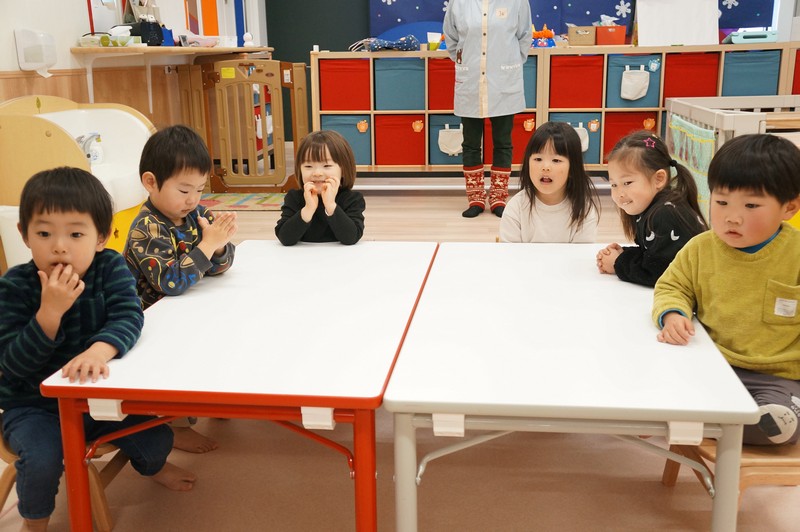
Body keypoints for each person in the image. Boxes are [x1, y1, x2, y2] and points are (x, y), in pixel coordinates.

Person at [0, 168, 196, 531]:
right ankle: (35, 521)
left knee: (157, 436)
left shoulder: (109, 267)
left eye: (76, 234)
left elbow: (129, 315)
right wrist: (48, 315)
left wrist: (99, 351)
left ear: (101, 237)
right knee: (41, 461)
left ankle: (154, 469)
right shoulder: (15, 286)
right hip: (35, 407)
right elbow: (12, 365)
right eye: (44, 233)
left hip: (100, 397)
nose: (59, 246)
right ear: (24, 234)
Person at [653, 134, 800, 446]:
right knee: (655, 384)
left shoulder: (795, 253)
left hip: (777, 376)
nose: (732, 217)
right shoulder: (701, 248)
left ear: (789, 207)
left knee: (781, 423)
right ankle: (706, 417)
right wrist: (673, 314)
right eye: (721, 202)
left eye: (751, 205)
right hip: (711, 363)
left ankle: (707, 421)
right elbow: (672, 285)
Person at [125, 124, 236, 453]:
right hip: (150, 320)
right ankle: (176, 426)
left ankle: (210, 397)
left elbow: (220, 267)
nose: (193, 199)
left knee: (218, 333)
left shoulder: (195, 215)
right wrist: (207, 247)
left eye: (199, 189)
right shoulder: (146, 228)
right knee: (176, 363)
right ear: (150, 182)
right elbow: (170, 282)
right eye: (184, 190)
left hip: (184, 308)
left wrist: (218, 246)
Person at [443, 0, 532, 218]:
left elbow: (524, 37)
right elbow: (451, 39)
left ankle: (498, 198)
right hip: (471, 80)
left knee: (503, 141)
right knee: (470, 143)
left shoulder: (517, 2)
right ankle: (475, 199)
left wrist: (509, 64)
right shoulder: (458, 3)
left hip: (503, 81)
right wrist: (465, 62)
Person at [596, 130, 707, 287]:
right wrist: (624, 253)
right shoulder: (649, 206)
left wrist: (618, 262)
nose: (619, 193)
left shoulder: (666, 214)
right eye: (614, 185)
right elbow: (654, 253)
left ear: (659, 179)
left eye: (627, 183)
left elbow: (658, 272)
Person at [499, 121, 599, 243]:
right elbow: (509, 252)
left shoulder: (584, 209)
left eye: (556, 160)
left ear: (572, 168)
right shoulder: (516, 207)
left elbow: (582, 252)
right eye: (538, 159)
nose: (545, 167)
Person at [275, 130, 365, 246]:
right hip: (303, 256)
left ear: (343, 170)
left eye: (326, 165)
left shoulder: (353, 199)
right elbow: (285, 238)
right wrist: (308, 209)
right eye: (308, 166)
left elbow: (351, 238)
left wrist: (330, 205)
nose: (317, 173)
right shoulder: (294, 198)